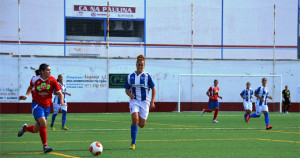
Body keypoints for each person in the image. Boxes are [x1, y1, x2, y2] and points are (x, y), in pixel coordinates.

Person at [18, 63, 65, 153]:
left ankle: (25, 128)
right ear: (41, 71)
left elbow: (60, 93)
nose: (50, 71)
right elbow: (30, 87)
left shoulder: (53, 80)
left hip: (47, 107)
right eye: (47, 70)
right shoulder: (35, 79)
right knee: (43, 123)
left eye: (50, 70)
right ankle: (45, 147)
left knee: (36, 130)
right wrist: (26, 96)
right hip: (36, 105)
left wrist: (62, 102)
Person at [124, 54, 156, 150]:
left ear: (144, 66)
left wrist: (152, 102)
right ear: (136, 65)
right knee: (135, 119)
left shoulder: (147, 76)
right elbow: (126, 89)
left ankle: (136, 125)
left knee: (142, 124)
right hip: (134, 101)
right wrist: (130, 95)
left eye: (142, 65)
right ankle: (133, 143)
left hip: (145, 101)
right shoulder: (130, 76)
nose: (140, 67)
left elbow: (153, 89)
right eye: (139, 65)